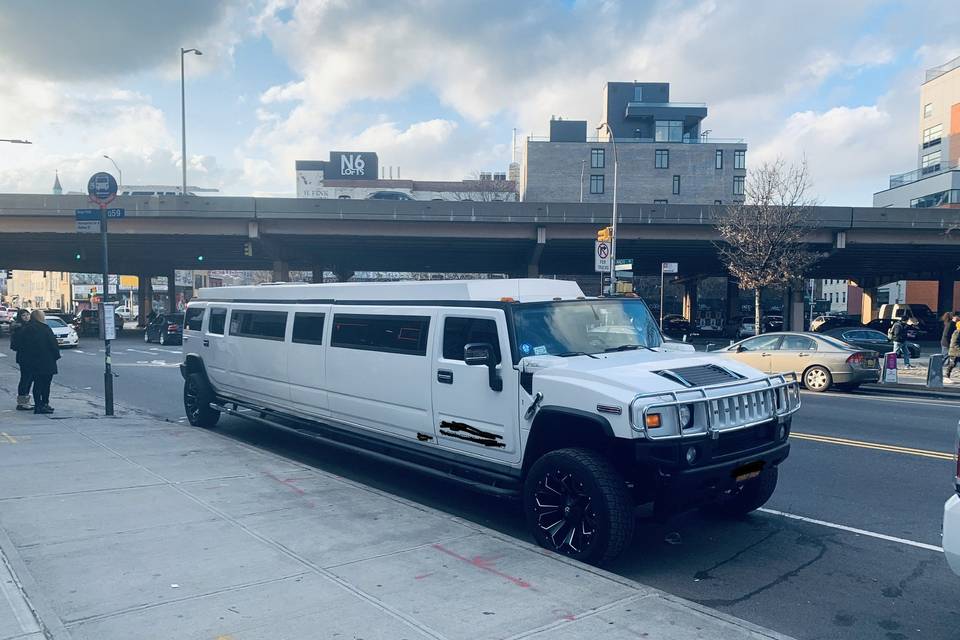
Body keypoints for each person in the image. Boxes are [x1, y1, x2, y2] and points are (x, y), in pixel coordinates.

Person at [15, 310, 61, 414]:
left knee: (37, 384)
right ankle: (44, 403)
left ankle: (38, 405)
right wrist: (56, 356)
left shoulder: (25, 329)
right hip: (46, 360)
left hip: (32, 361)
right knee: (46, 384)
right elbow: (53, 345)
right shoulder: (45, 328)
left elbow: (17, 345)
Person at [9, 309, 34, 410]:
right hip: (24, 357)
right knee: (25, 378)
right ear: (20, 317)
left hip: (29, 356)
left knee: (29, 378)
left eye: (28, 315)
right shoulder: (19, 329)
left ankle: (25, 400)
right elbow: (15, 345)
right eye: (24, 315)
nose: (27, 317)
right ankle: (22, 403)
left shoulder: (29, 326)